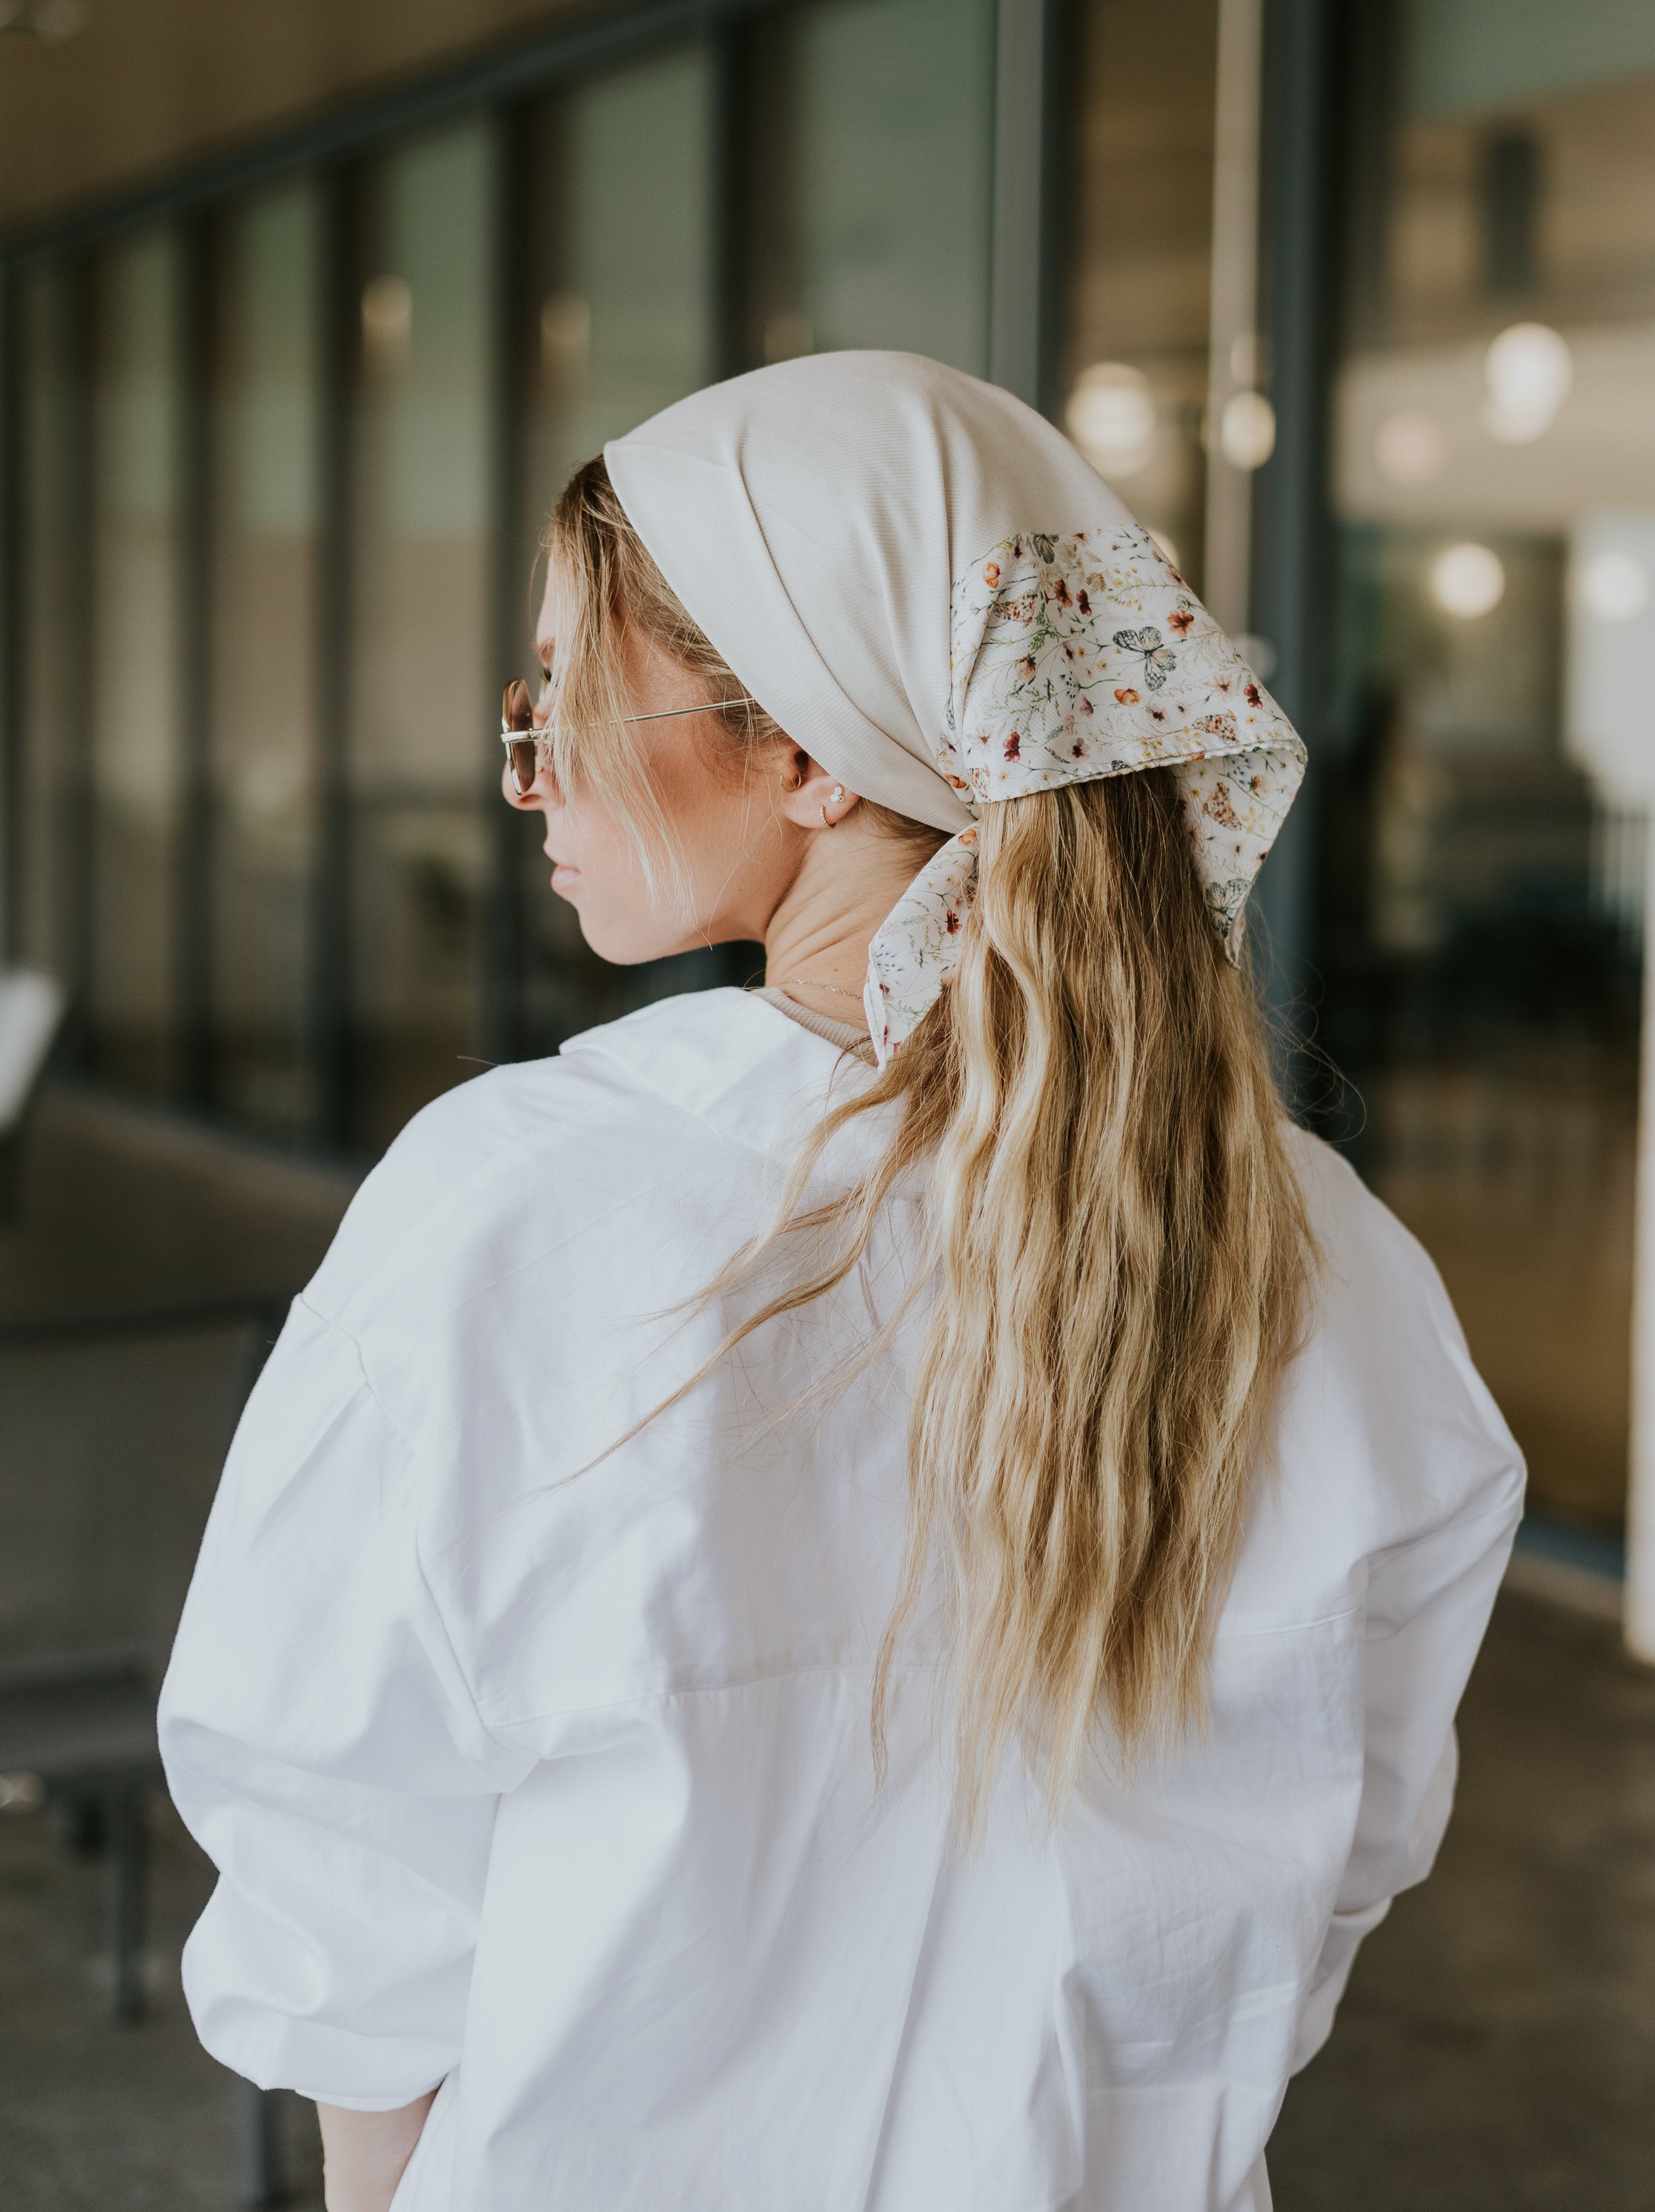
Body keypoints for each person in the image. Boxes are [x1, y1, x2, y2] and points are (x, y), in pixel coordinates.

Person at [159, 353, 1523, 2212]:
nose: (530, 759)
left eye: (567, 683)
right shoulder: (1337, 1266)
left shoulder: (518, 1211)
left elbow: (352, 1905)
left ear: (800, 748)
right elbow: (1334, 1862)